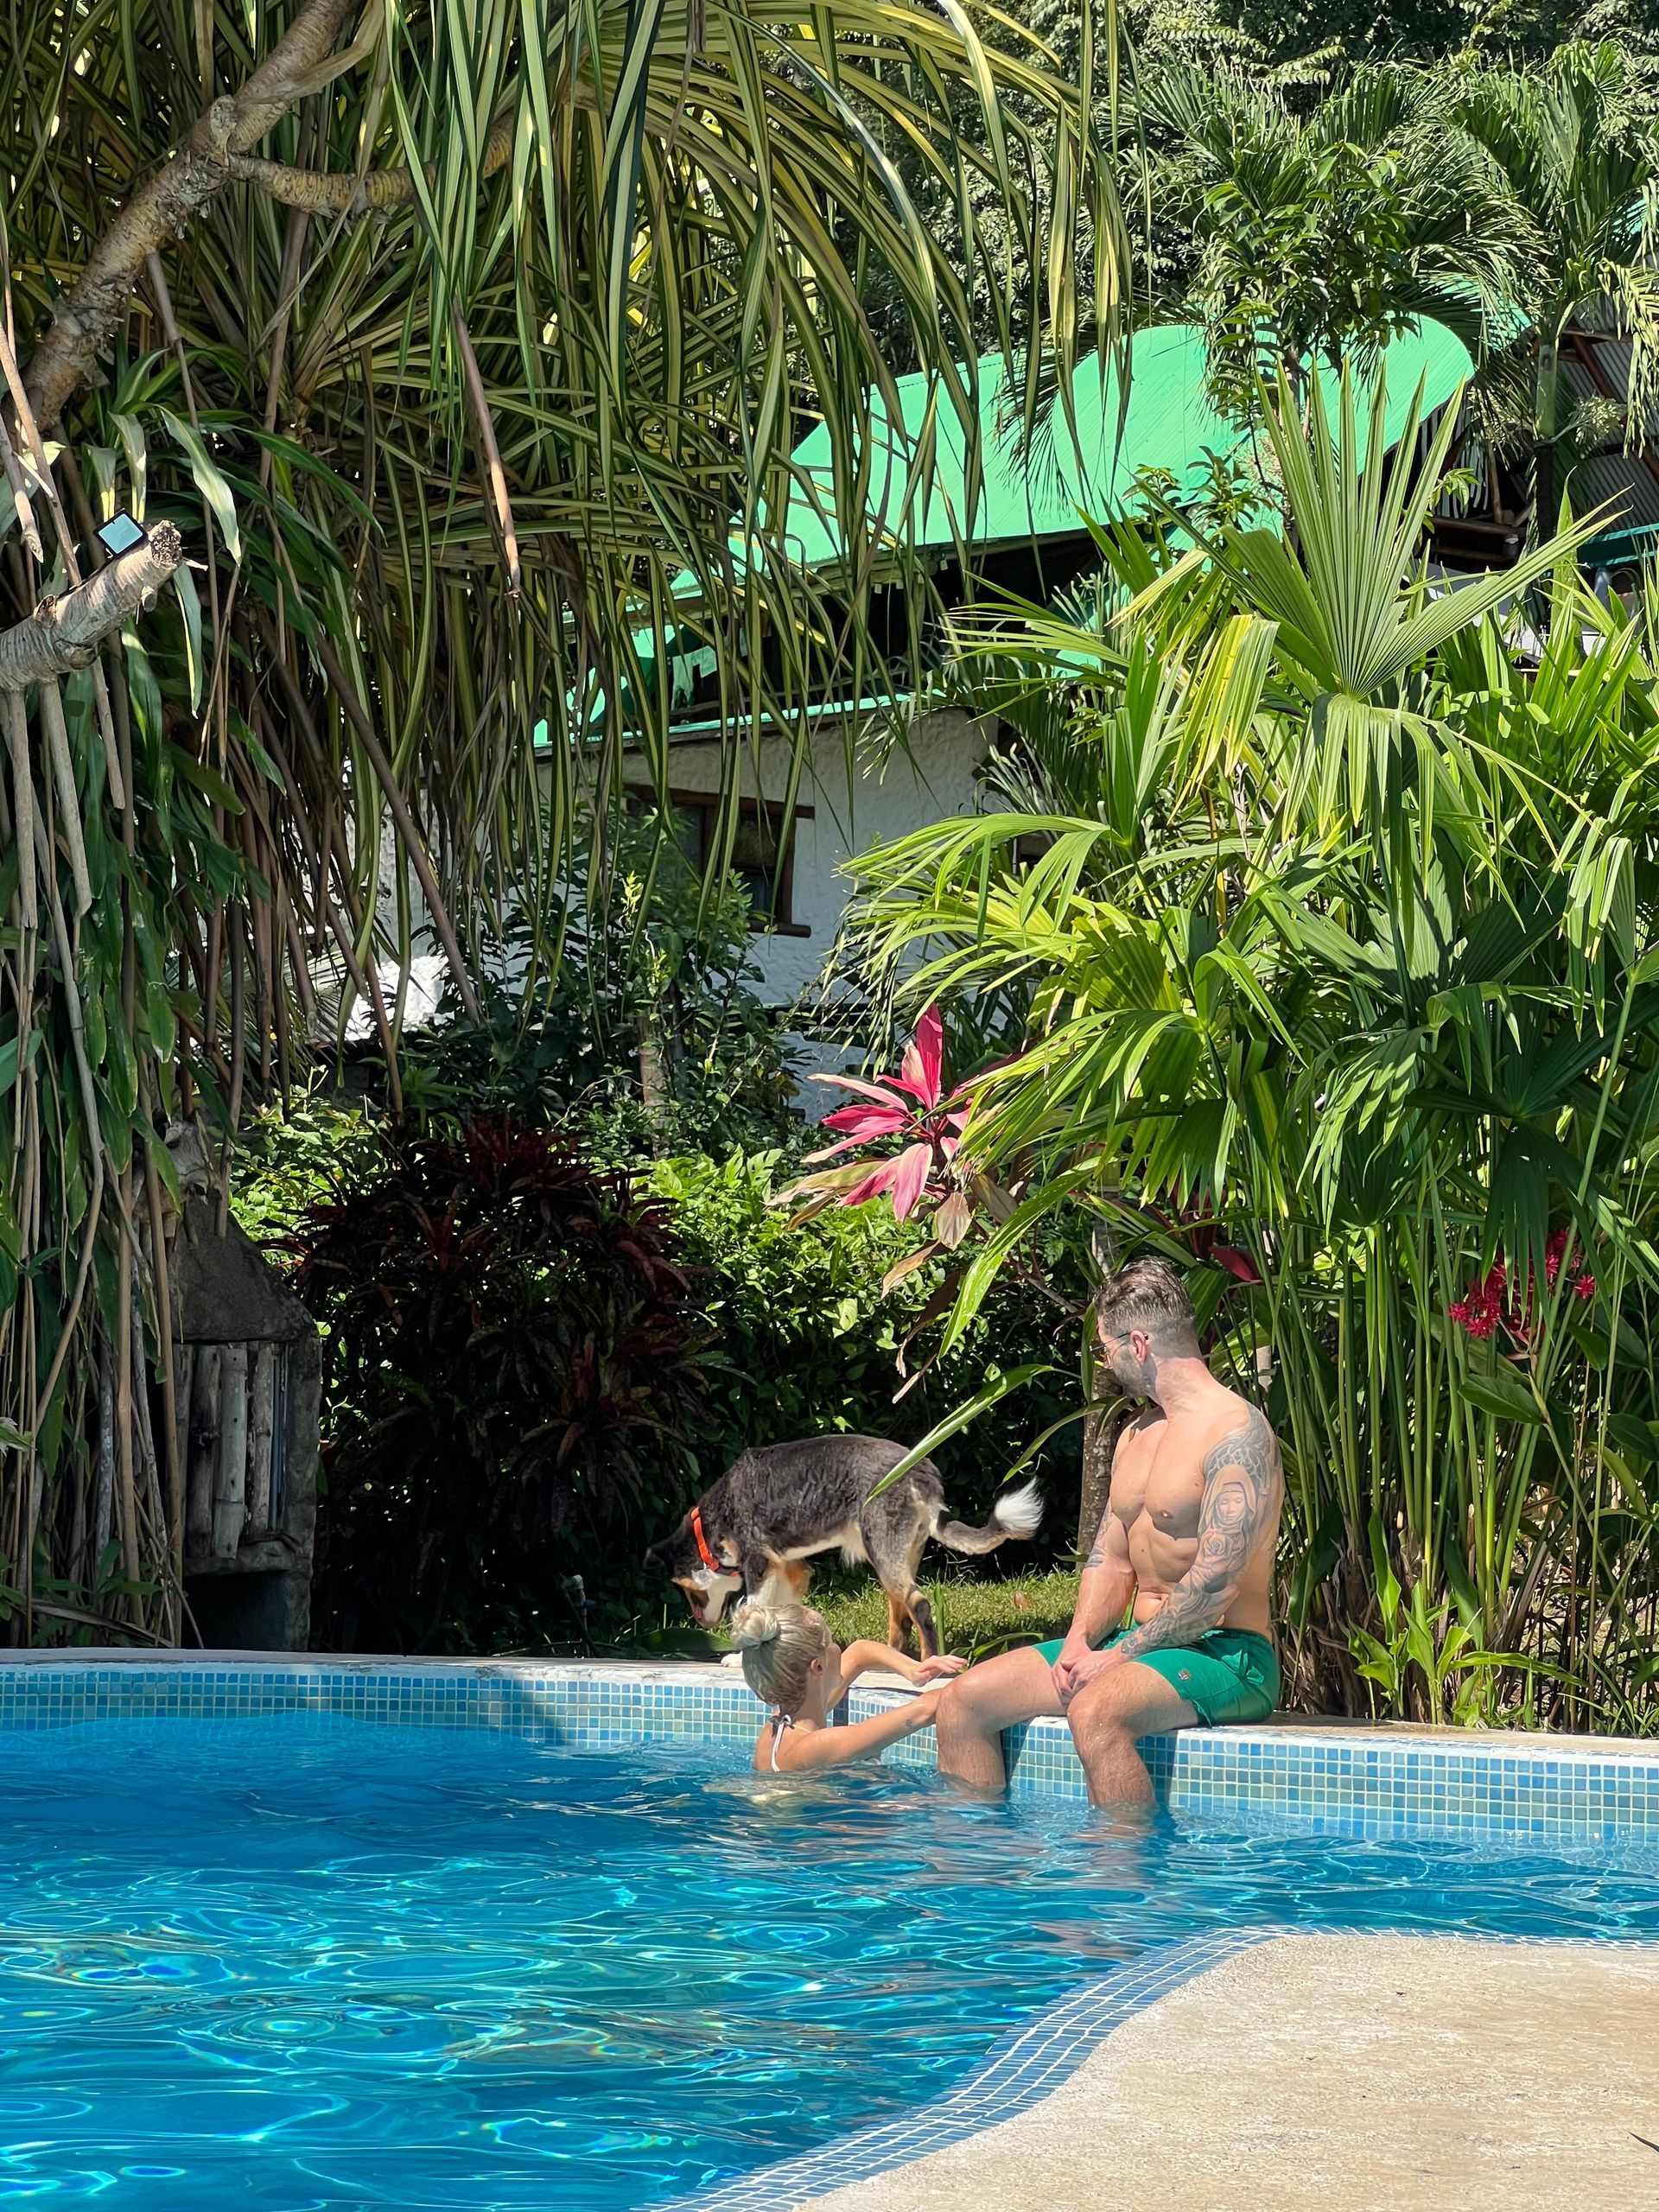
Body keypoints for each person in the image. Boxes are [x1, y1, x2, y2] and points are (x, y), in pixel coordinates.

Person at [937, 1256, 1283, 1808]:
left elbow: (1216, 1586)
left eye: (1107, 1347)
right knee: (963, 1701)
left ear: (1139, 1344)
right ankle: (975, 1872)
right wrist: (1080, 1641)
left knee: (1095, 1712)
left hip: (1226, 1654)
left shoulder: (1237, 1434)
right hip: (1139, 1649)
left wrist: (1117, 1659)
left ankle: (1121, 1887)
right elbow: (1112, 1560)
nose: (1104, 1360)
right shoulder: (1135, 1436)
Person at [730, 1599, 967, 1773]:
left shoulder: (781, 1721)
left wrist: (914, 1670)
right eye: (832, 1643)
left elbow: (860, 1651)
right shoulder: (819, 1745)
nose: (839, 1649)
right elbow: (927, 1708)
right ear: (818, 1668)